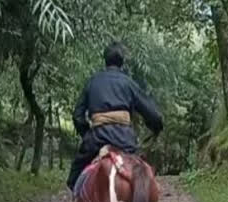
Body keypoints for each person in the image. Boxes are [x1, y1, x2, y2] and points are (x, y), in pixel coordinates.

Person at [67, 42, 164, 192]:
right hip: (125, 139)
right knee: (142, 176)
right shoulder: (129, 83)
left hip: (96, 139)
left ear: (105, 60)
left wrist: (87, 134)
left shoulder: (93, 82)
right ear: (122, 62)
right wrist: (156, 127)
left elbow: (77, 116)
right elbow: (152, 113)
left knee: (74, 176)